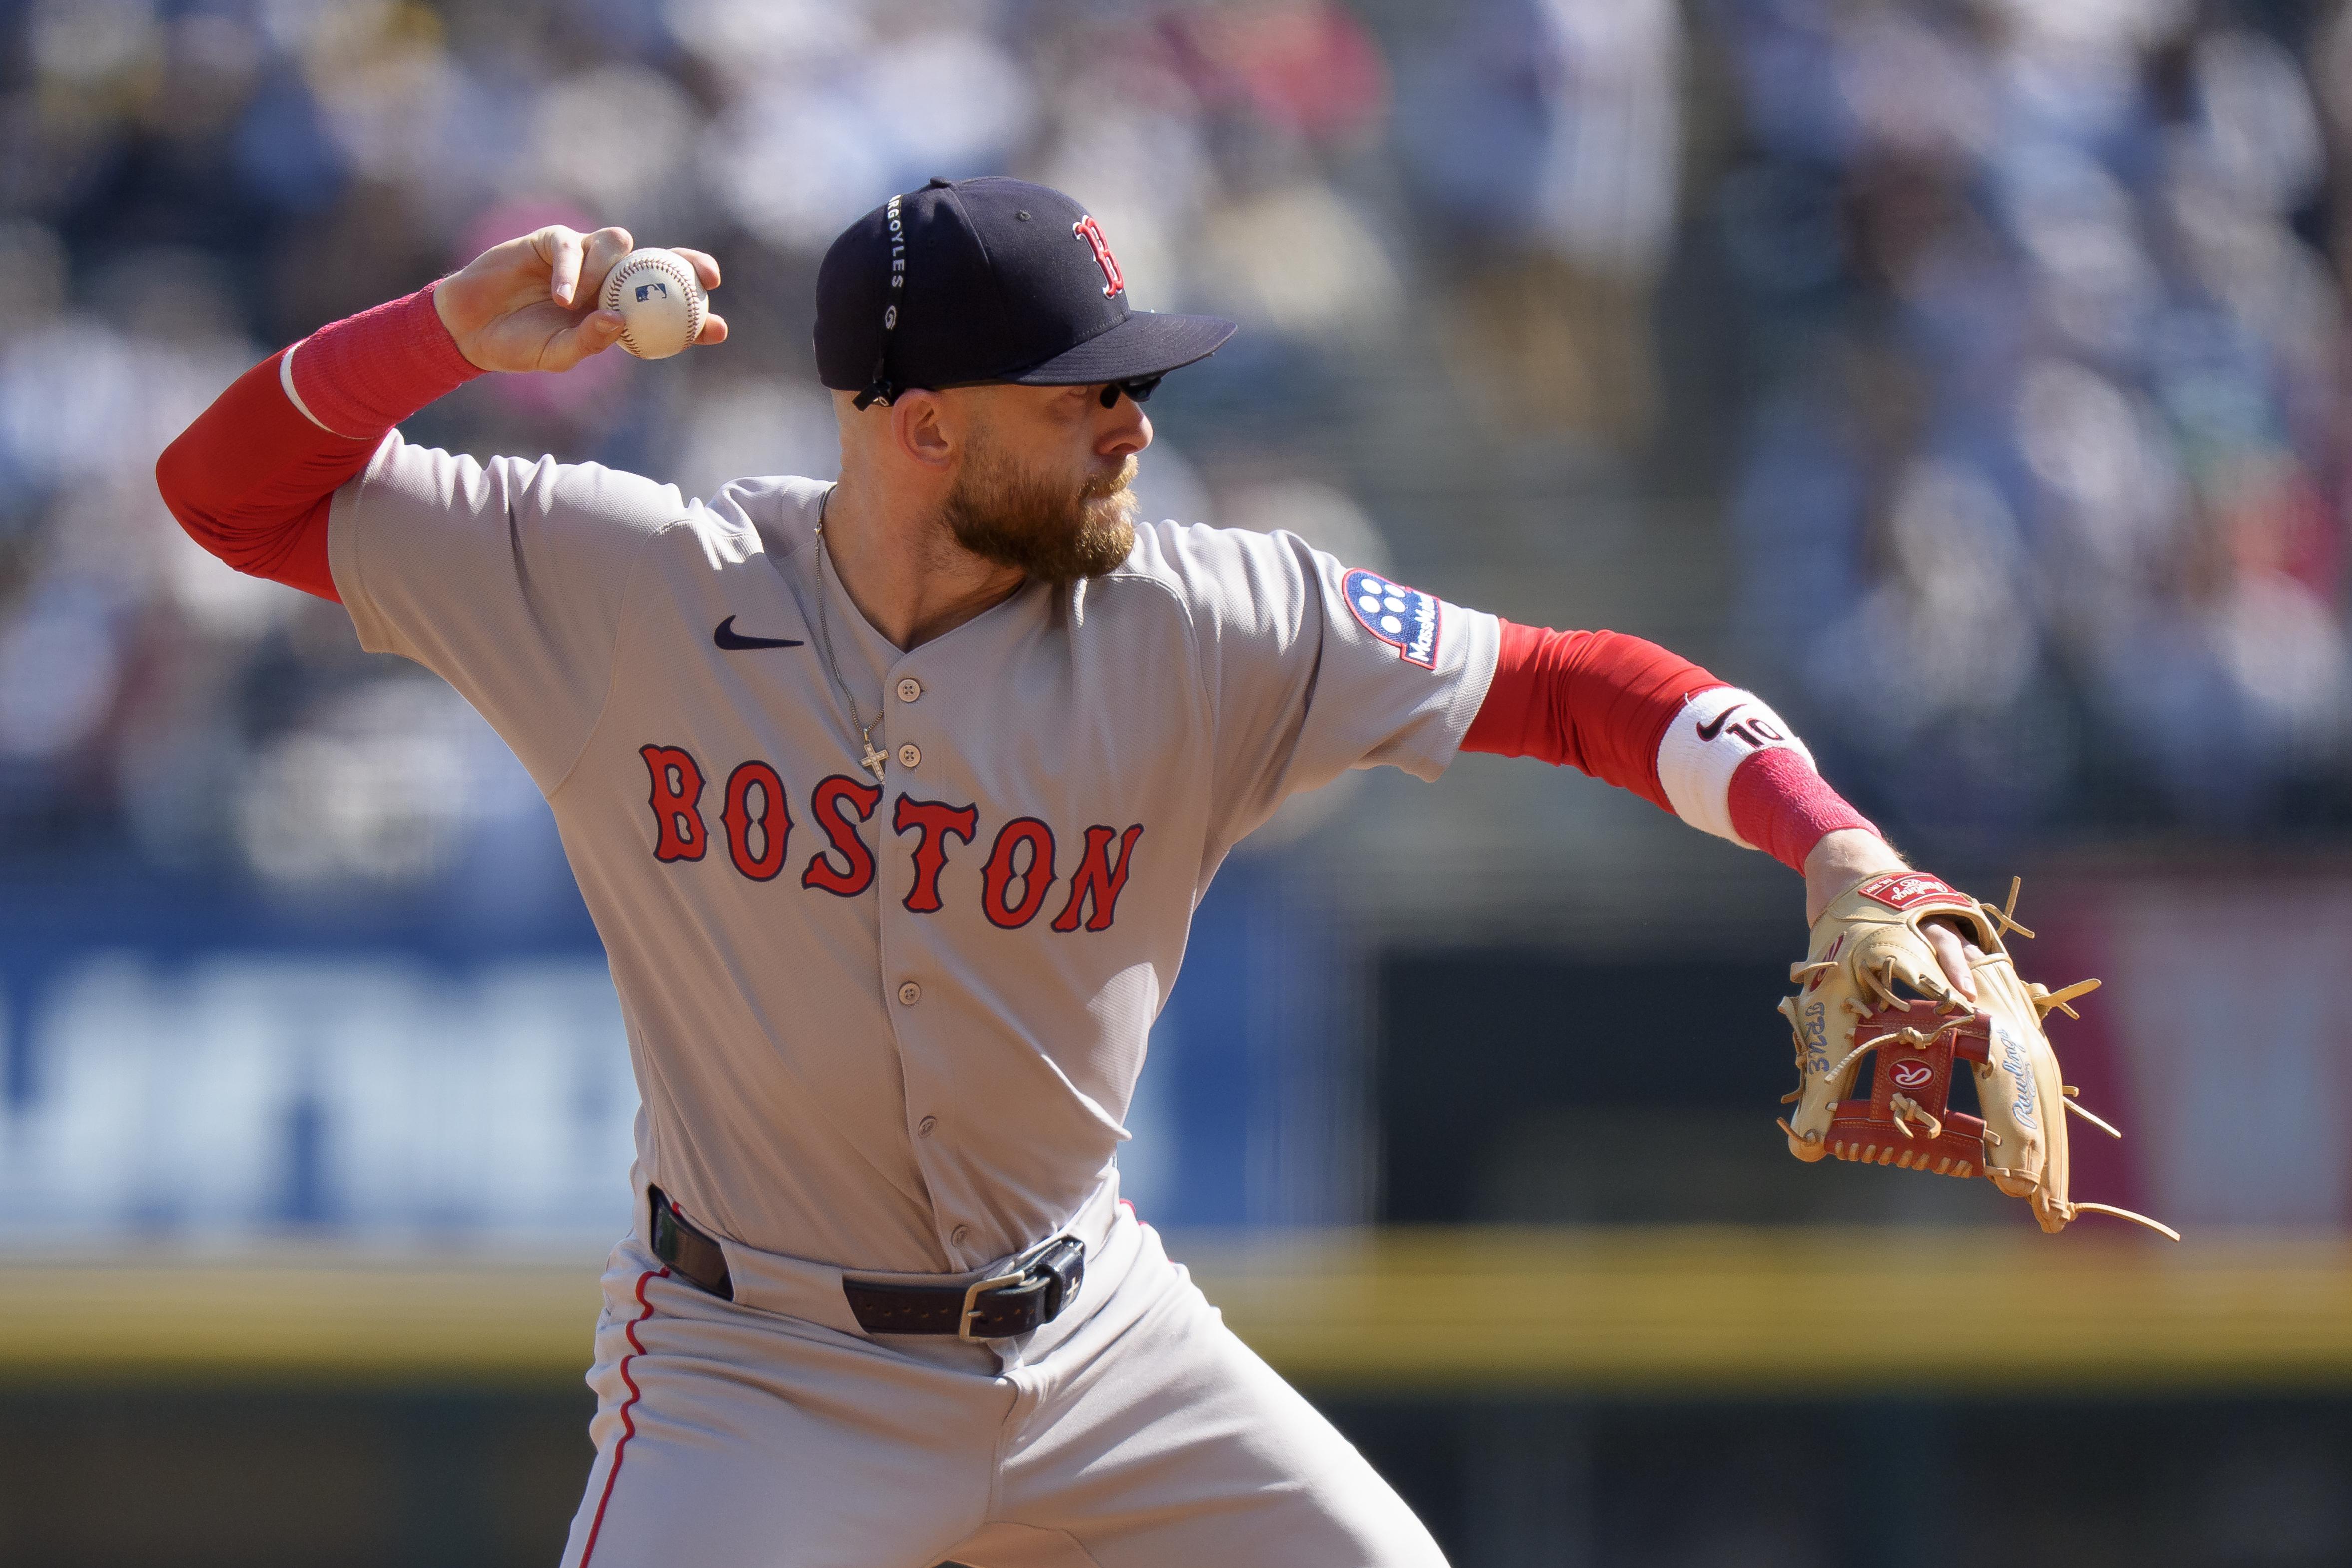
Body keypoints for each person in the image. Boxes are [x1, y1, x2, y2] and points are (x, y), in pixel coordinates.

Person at [157, 176, 1969, 1568]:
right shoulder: (623, 586)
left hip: (1099, 1343)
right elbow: (225, 495)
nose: (1136, 427)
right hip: (755, 1376)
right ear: (919, 423)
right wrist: (439, 338)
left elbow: (1584, 689)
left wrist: (1843, 852)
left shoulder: (1213, 619)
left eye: (1137, 386)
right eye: (1084, 393)